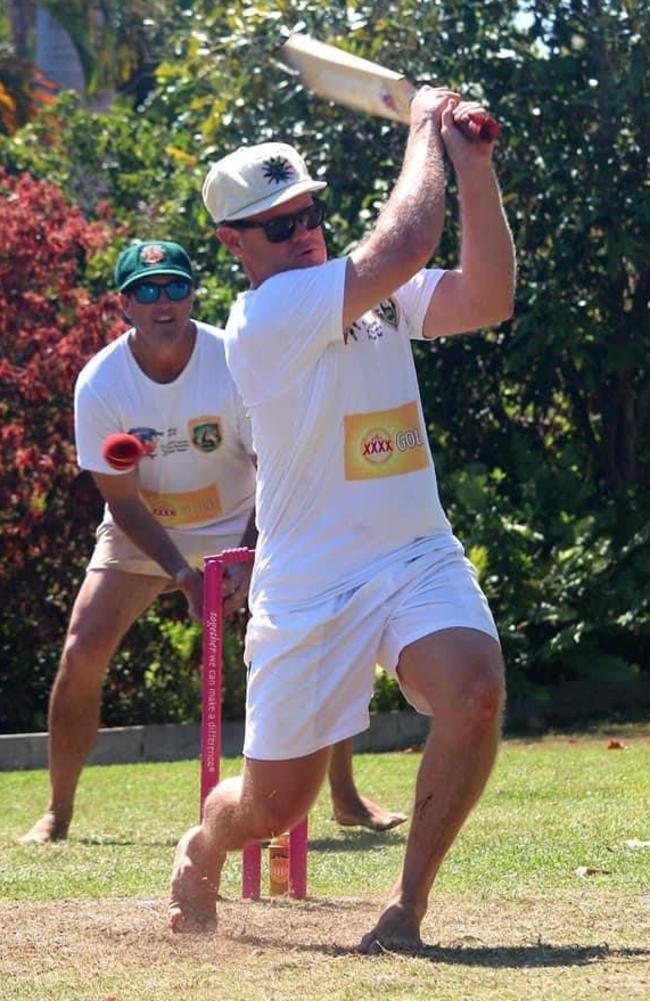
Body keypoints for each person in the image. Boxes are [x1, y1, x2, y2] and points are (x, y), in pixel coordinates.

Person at [170, 85, 515, 950]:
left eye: (310, 212)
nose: (305, 231)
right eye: (280, 225)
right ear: (233, 244)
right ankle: (203, 843)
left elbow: (487, 296)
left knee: (473, 691)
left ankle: (406, 911)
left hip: (412, 554)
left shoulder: (364, 292)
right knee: (273, 806)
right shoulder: (266, 317)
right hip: (310, 581)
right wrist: (423, 128)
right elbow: (406, 240)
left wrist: (474, 172)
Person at [21, 240, 401, 845]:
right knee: (80, 652)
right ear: (124, 305)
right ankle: (57, 814)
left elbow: (275, 465)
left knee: (316, 635)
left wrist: (247, 558)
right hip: (148, 530)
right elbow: (121, 502)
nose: (163, 301)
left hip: (247, 518)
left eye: (174, 286)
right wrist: (182, 573)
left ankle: (346, 797)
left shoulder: (232, 358)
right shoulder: (101, 383)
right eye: (146, 291)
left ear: (193, 293)